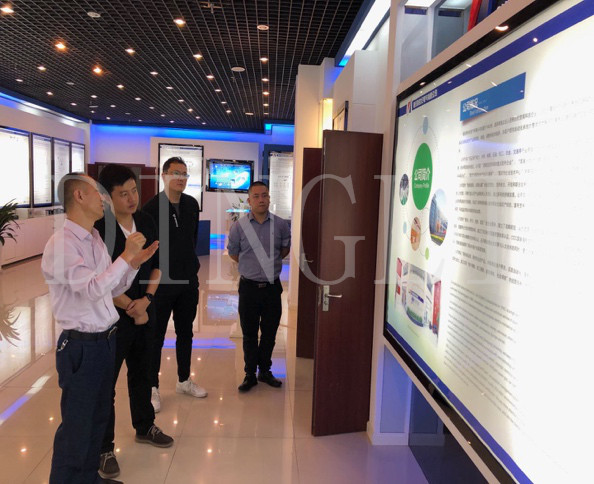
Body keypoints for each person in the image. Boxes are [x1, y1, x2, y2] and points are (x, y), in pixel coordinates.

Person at [41, 173, 158, 484]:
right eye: (99, 193)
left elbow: (112, 286)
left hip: (105, 340)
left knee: (97, 418)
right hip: (81, 346)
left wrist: (132, 264)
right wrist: (125, 255)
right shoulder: (61, 244)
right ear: (79, 196)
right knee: (77, 426)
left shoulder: (93, 238)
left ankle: (88, 477)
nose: (104, 199)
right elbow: (92, 288)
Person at [94, 165, 173, 480]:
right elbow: (101, 279)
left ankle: (145, 425)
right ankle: (104, 447)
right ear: (107, 197)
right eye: (122, 193)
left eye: (134, 191)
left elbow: (158, 265)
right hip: (113, 316)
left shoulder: (147, 221)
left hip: (145, 310)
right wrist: (130, 306)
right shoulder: (100, 229)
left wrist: (147, 301)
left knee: (143, 373)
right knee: (106, 384)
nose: (131, 198)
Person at [143, 157, 206, 412]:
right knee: (155, 336)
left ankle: (183, 380)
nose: (181, 178)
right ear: (164, 175)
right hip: (161, 284)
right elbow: (148, 249)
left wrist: (191, 267)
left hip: (187, 281)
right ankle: (152, 387)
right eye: (176, 173)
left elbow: (192, 240)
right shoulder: (151, 208)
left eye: (184, 174)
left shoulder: (191, 205)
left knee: (186, 332)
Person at [227, 181, 291, 392]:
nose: (261, 199)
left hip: (272, 288)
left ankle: (265, 371)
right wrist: (252, 267)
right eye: (256, 196)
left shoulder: (281, 225)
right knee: (249, 334)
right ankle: (249, 374)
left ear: (269, 198)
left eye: (265, 195)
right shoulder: (239, 227)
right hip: (249, 289)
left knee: (270, 333)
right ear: (249, 200)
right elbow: (234, 253)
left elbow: (284, 250)